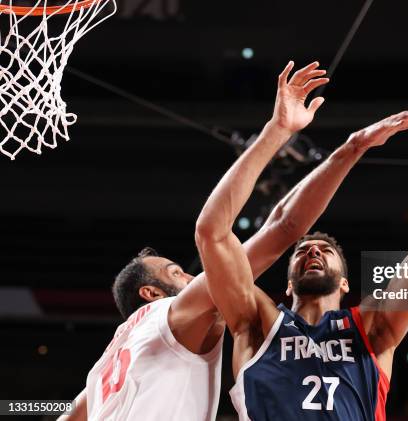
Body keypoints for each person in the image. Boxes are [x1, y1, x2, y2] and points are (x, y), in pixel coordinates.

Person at [198, 60, 408, 420]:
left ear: (346, 283)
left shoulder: (372, 327)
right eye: (303, 251)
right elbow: (213, 234)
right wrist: (281, 131)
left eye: (325, 250)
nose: (313, 250)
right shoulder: (258, 323)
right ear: (286, 282)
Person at [59, 60, 361, 421]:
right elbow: (283, 228)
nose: (194, 278)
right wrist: (280, 131)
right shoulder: (171, 314)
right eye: (178, 275)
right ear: (151, 294)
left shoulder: (106, 365)